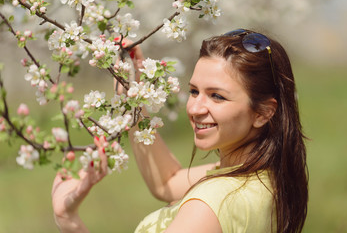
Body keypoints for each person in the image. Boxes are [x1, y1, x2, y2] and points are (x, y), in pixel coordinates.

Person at [51, 29, 308, 233]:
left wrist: (68, 220)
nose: (195, 108)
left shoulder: (209, 204)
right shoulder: (264, 177)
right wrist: (133, 99)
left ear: (263, 112)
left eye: (217, 96)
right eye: (194, 91)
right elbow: (167, 181)